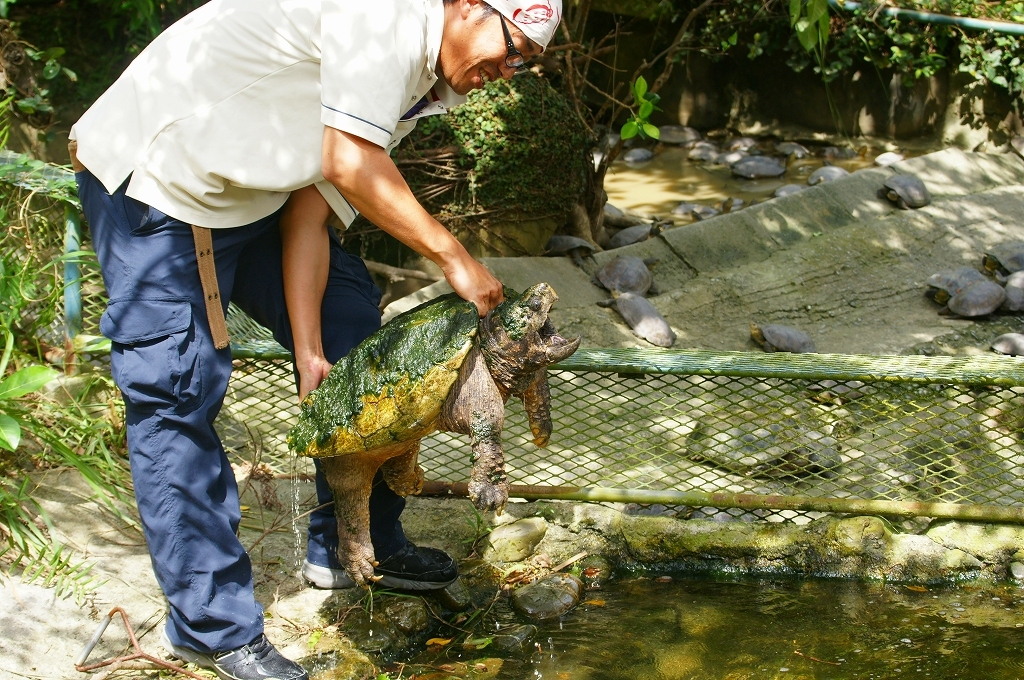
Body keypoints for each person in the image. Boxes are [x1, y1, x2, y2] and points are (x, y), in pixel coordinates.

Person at [69, 0, 561, 677]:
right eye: (512, 48)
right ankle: (211, 626)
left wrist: (310, 349)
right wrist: (454, 258)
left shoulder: (424, 81)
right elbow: (350, 157)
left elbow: (310, 210)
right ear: (468, 6)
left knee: (356, 330)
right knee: (178, 392)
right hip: (160, 189)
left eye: (526, 64)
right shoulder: (385, 18)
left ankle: (352, 541)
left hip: (253, 202)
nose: (509, 71)